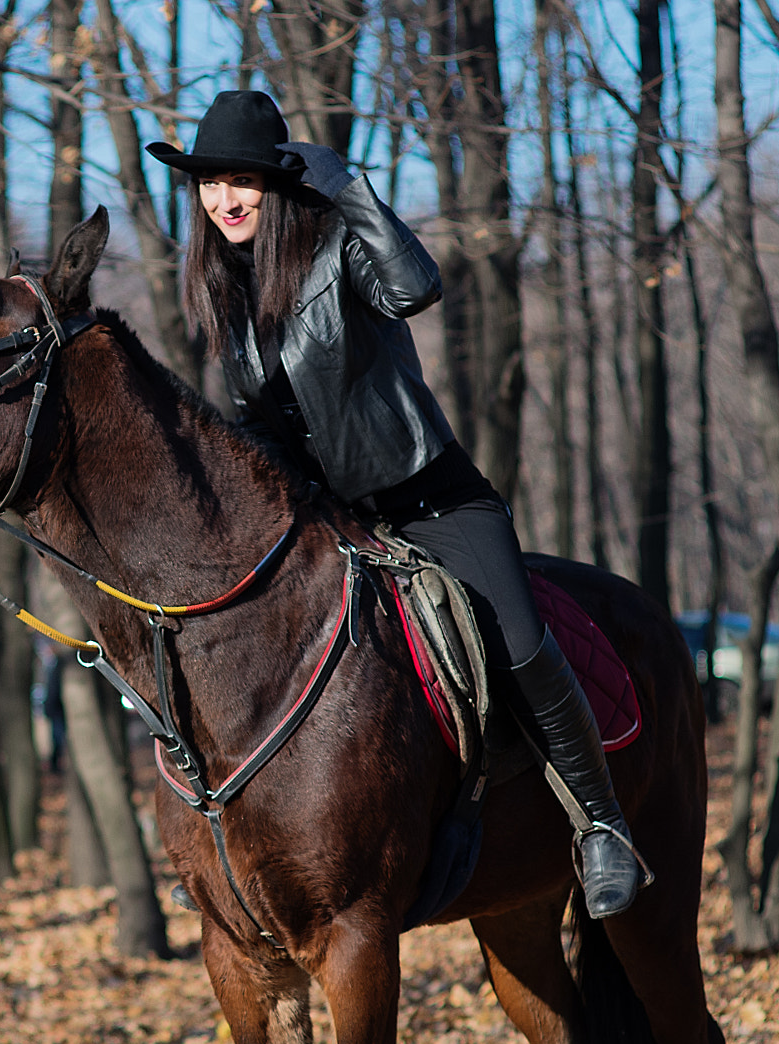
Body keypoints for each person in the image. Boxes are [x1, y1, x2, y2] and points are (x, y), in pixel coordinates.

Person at [146, 89, 645, 920]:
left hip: (431, 500)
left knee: (516, 642)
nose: (223, 199)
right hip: (326, 518)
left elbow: (416, 287)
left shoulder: (339, 244)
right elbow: (257, 422)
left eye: (242, 181)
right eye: (208, 182)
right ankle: (235, 841)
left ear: (278, 184)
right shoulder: (222, 290)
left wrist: (350, 190)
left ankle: (601, 823)